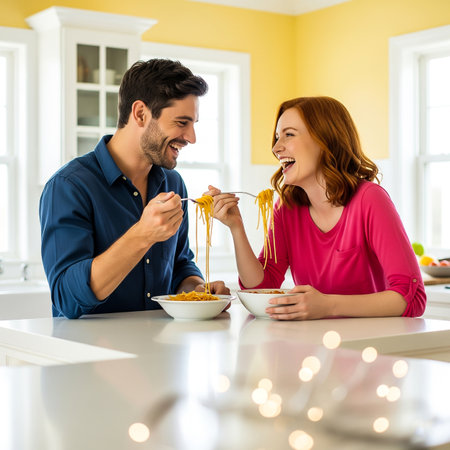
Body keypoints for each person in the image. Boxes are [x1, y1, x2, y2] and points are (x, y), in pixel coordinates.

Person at [40, 58, 230, 319]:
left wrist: (196, 290)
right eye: (181, 123)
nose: (191, 138)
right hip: (88, 353)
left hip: (159, 351)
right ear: (140, 113)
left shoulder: (173, 184)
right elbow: (66, 298)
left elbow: (180, 264)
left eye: (193, 124)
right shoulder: (69, 187)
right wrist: (142, 235)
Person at [208, 96, 426, 320]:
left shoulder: (369, 200)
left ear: (325, 140)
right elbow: (261, 286)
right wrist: (236, 227)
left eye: (289, 134)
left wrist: (328, 306)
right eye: (276, 137)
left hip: (369, 347)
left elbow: (412, 297)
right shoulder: (287, 208)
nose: (276, 148)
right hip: (314, 347)